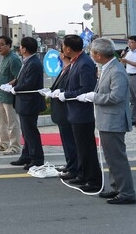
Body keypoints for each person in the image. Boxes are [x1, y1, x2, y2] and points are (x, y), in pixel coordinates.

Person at [84, 37, 136, 204]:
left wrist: (95, 97)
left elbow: (117, 97)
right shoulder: (107, 67)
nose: (91, 55)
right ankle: (116, 188)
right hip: (107, 120)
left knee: (117, 158)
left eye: (92, 52)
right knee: (111, 157)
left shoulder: (116, 70)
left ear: (98, 55)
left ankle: (126, 193)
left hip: (113, 121)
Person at [55, 34, 102, 193]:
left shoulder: (84, 63)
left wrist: (66, 95)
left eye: (63, 46)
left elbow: (86, 89)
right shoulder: (75, 62)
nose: (62, 49)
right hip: (74, 112)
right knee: (80, 148)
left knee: (86, 148)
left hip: (82, 113)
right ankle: (82, 174)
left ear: (68, 48)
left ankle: (93, 180)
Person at [7, 37, 46, 169]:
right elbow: (20, 79)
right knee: (26, 131)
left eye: (21, 47)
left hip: (29, 102)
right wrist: (10, 84)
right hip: (24, 102)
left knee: (30, 131)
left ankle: (37, 158)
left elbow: (28, 84)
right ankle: (26, 155)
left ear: (24, 49)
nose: (19, 49)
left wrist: (14, 89)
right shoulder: (27, 61)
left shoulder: (34, 63)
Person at [45, 50, 78, 180]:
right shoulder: (64, 68)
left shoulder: (70, 68)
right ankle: (69, 164)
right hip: (60, 110)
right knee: (66, 140)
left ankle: (73, 167)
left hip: (66, 110)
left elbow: (69, 88)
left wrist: (60, 92)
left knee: (70, 141)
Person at [0, 36, 22, 155]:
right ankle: (3, 143)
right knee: (0, 121)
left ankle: (15, 145)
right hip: (0, 94)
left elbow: (19, 77)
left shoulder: (13, 59)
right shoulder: (2, 57)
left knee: (12, 122)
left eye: (1, 45)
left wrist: (9, 85)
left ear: (9, 45)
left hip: (9, 96)